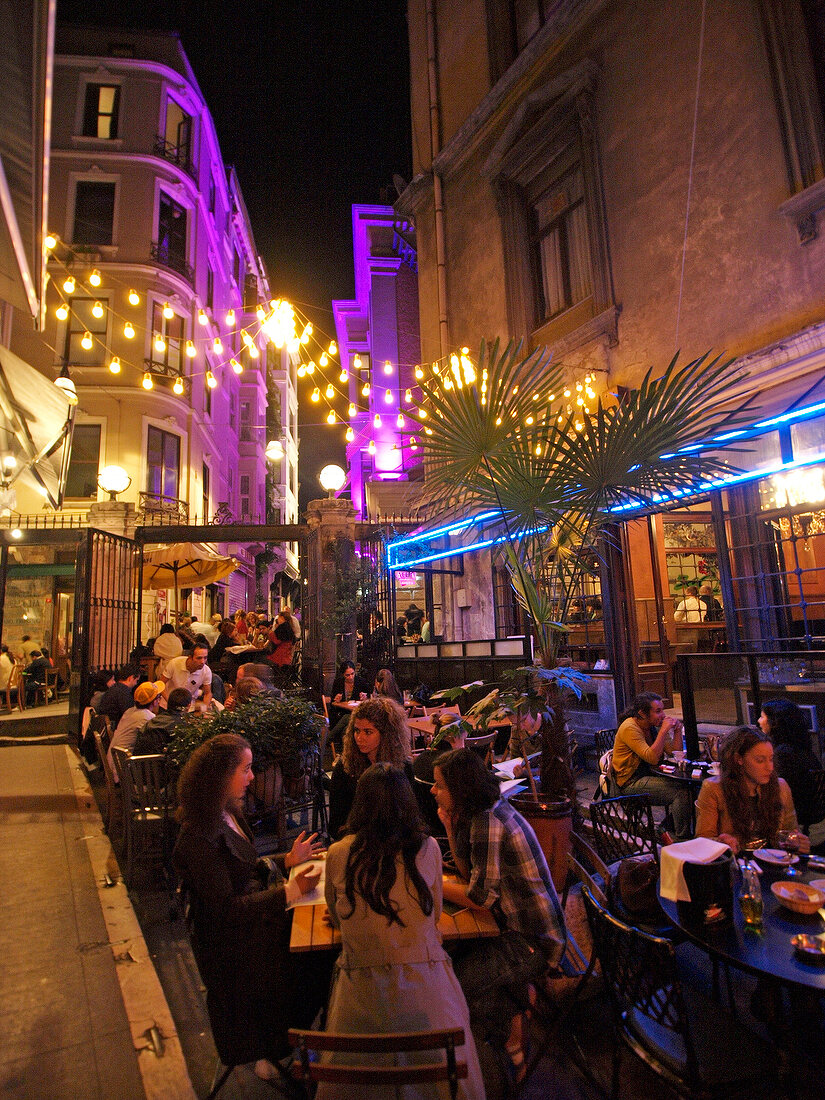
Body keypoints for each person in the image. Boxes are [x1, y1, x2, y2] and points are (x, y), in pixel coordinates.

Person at [320, 763, 484, 1099]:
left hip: (359, 1005)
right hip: (430, 1000)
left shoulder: (338, 854)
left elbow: (338, 919)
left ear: (359, 803)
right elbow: (435, 913)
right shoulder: (427, 849)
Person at [172, 734, 330, 1081]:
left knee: (323, 943)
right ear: (220, 776)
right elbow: (227, 911)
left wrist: (287, 860)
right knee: (323, 957)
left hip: (254, 925)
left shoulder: (226, 811)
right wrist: (289, 892)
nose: (253, 776)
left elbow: (246, 867)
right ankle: (278, 1046)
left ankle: (289, 1043)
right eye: (245, 769)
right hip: (236, 950)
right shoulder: (198, 836)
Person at [432, 747, 565, 1083]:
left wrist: (430, 880)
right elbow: (471, 875)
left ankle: (501, 1049)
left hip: (533, 942)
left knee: (455, 984)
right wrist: (448, 827)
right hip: (510, 929)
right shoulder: (482, 814)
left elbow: (477, 897)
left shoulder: (488, 821)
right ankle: (512, 1038)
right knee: (453, 962)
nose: (433, 791)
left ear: (460, 790)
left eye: (439, 786)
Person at [695, 725, 807, 853]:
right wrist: (721, 842)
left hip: (773, 859)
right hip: (736, 862)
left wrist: (797, 842)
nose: (770, 767)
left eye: (771, 759)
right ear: (739, 759)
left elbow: (790, 831)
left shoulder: (781, 787)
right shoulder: (714, 789)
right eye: (760, 760)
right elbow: (702, 840)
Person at [610, 692, 693, 840]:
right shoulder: (630, 727)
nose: (662, 715)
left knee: (691, 787)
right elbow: (653, 758)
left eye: (662, 710)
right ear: (642, 713)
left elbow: (675, 752)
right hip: (629, 782)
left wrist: (678, 730)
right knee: (681, 793)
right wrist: (663, 730)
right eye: (658, 711)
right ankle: (681, 839)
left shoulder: (653, 726)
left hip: (650, 775)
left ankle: (666, 828)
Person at [328, 697, 414, 839]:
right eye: (356, 731)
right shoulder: (345, 768)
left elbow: (410, 817)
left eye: (368, 732)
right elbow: (335, 825)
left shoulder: (403, 767)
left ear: (386, 734)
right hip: (356, 843)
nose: (359, 738)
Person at [758, 700, 824, 832]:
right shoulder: (801, 749)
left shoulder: (784, 755)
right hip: (809, 814)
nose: (759, 721)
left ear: (775, 722)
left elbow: (775, 791)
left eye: (762, 717)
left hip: (795, 817)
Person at [107, 680, 166, 774]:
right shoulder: (147, 718)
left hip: (114, 762)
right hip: (123, 770)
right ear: (155, 701)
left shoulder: (130, 711)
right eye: (159, 697)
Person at [134, 687, 191, 755]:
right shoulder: (182, 727)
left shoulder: (153, 721)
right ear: (188, 706)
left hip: (139, 762)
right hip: (160, 763)